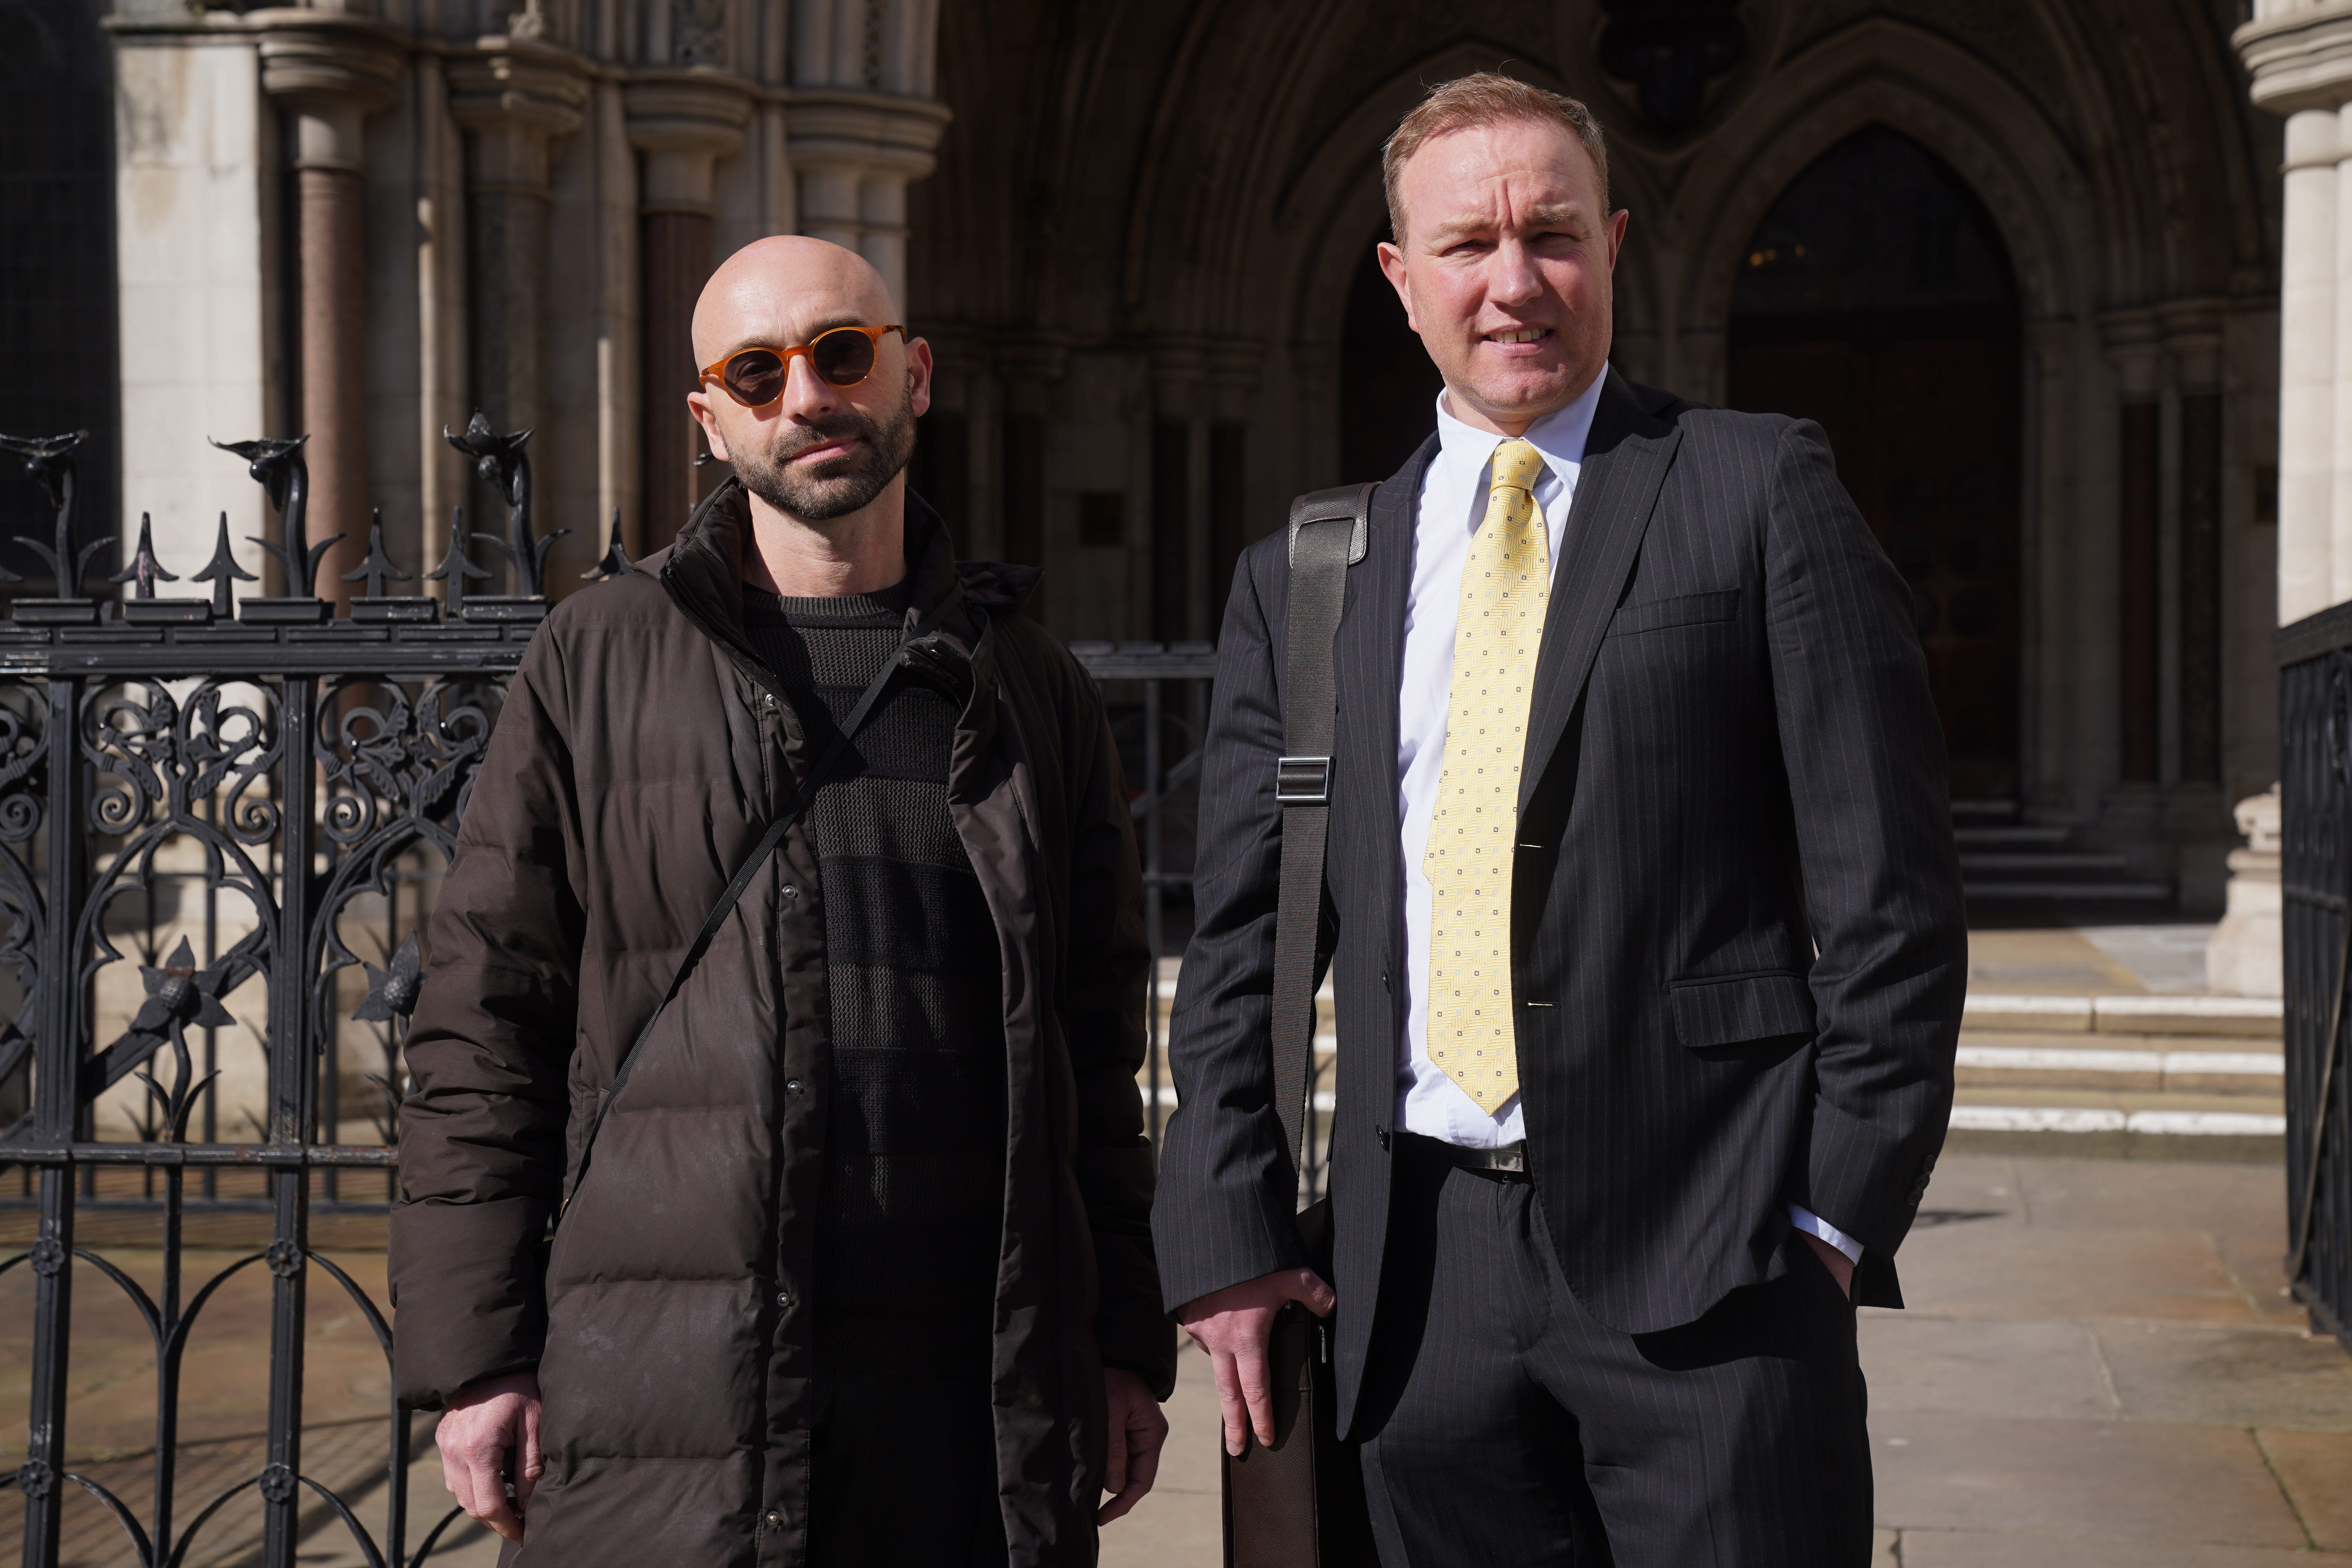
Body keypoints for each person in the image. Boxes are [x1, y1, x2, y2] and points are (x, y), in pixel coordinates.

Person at [1154, 74, 1965, 1566]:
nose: (1514, 282)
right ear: (1400, 281)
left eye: (1554, 235)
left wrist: (1832, 1228)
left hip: (1716, 1264)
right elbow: (1243, 940)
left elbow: (1893, 902)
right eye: (1467, 245)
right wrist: (1226, 1242)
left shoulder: (1754, 486)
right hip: (1414, 1285)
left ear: (1615, 246)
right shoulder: (1308, 575)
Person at [391, 235, 1172, 1565]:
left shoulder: (1028, 686)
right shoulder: (597, 659)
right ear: (709, 420)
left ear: (913, 375)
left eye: (842, 353)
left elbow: (1098, 1055)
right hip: (671, 1384)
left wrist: (1121, 1341)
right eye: (757, 372)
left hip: (967, 1398)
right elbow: (485, 1020)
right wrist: (479, 1359)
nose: (806, 396)